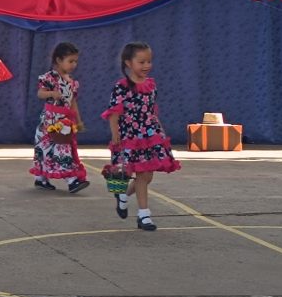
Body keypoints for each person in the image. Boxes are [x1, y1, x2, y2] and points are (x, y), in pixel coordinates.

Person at [101, 42, 181, 231]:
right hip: (130, 136)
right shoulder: (121, 87)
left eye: (149, 61)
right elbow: (114, 114)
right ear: (128, 63)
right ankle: (144, 215)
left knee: (146, 176)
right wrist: (116, 136)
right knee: (142, 175)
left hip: (150, 134)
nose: (146, 65)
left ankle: (123, 196)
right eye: (141, 62)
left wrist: (160, 133)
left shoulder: (151, 85)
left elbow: (152, 110)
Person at [30, 42, 88, 193]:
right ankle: (67, 180)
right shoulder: (49, 78)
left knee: (62, 147)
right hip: (50, 121)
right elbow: (40, 93)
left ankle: (51, 179)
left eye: (75, 61)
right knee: (47, 148)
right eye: (70, 61)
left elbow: (73, 102)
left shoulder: (72, 82)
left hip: (65, 121)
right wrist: (51, 93)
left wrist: (79, 121)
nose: (74, 64)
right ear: (58, 60)